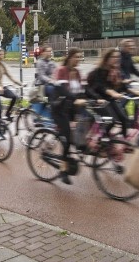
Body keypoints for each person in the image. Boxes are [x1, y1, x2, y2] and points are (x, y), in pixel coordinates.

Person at [51, 48, 88, 184]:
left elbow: (84, 90)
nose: (78, 59)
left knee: (84, 129)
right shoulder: (61, 70)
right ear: (70, 57)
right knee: (67, 137)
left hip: (72, 109)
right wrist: (74, 99)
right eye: (76, 57)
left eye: (80, 57)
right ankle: (63, 169)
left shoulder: (78, 73)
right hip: (59, 109)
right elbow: (62, 90)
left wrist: (92, 99)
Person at [85, 48, 132, 135]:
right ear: (107, 58)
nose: (116, 59)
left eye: (118, 57)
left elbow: (119, 85)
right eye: (113, 57)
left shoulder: (114, 70)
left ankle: (124, 143)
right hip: (97, 99)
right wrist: (112, 93)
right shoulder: (98, 71)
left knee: (124, 119)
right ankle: (102, 141)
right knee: (111, 121)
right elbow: (100, 86)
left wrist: (130, 90)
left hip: (108, 99)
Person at [0, 48, 22, 121]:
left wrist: (20, 83)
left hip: (1, 88)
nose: (2, 56)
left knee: (14, 96)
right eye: (0, 54)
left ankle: (7, 114)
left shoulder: (2, 65)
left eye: (3, 54)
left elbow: (10, 76)